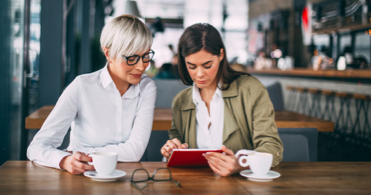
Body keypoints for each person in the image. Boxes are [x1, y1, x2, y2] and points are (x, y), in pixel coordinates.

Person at [27, 14, 157, 174]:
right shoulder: (82, 86)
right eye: (132, 58)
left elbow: (135, 151)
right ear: (108, 53)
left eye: (145, 56)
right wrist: (64, 160)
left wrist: (82, 151)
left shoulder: (146, 87)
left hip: (127, 178)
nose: (141, 66)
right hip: (81, 175)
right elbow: (37, 146)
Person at [160, 23, 283, 176]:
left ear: (221, 55)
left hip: (242, 185)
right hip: (195, 185)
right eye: (191, 66)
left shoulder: (251, 90)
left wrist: (242, 163)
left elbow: (271, 147)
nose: (199, 74)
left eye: (207, 65)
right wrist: (172, 151)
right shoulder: (181, 101)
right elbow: (178, 149)